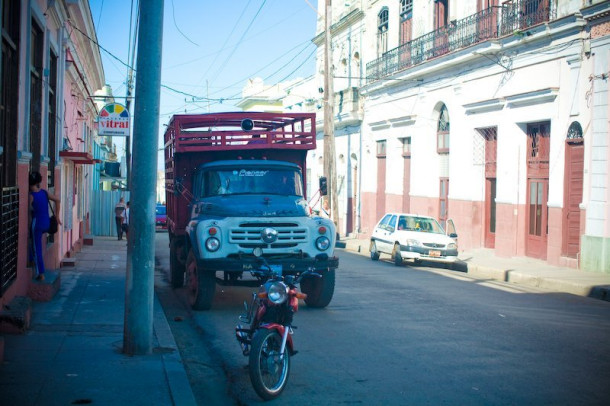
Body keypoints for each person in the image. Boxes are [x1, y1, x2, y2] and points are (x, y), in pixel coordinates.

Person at [29, 171, 62, 281]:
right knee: (33, 244)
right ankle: (31, 258)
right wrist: (57, 216)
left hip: (37, 224)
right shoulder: (44, 192)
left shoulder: (31, 196)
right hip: (46, 223)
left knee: (36, 247)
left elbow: (29, 211)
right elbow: (58, 199)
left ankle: (41, 273)